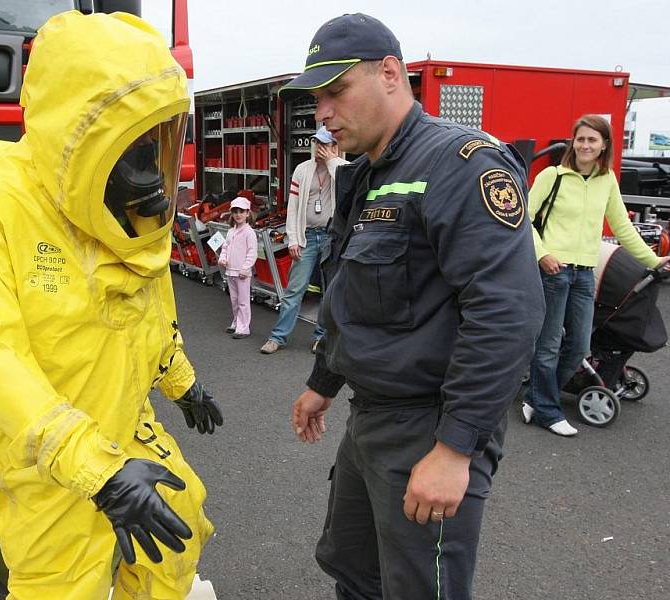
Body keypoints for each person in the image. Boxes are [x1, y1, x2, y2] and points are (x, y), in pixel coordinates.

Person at [0, 11, 223, 600]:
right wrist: (95, 472)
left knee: (174, 545)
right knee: (61, 584)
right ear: (80, 134)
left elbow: (149, 304)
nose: (153, 167)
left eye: (159, 141)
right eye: (134, 144)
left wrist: (183, 384)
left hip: (129, 432)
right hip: (46, 457)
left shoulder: (121, 211)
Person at [282, 13, 545, 599]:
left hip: (429, 428)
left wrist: (455, 451)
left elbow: (507, 316)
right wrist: (325, 379)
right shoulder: (371, 174)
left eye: (335, 91)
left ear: (392, 74)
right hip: (370, 420)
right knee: (353, 572)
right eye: (316, 98)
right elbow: (353, 295)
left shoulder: (460, 165)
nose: (321, 113)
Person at [522, 114, 670, 436]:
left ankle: (536, 395)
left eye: (592, 140)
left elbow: (623, 228)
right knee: (548, 345)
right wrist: (543, 254)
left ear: (604, 145)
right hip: (553, 271)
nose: (585, 145)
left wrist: (655, 260)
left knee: (578, 347)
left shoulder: (607, 181)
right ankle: (548, 411)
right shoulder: (552, 176)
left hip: (586, 273)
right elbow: (523, 220)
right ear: (572, 142)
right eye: (580, 139)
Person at [260, 126, 347, 354]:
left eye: (325, 144)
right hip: (307, 235)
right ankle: (278, 337)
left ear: (335, 147)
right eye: (317, 143)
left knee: (329, 292)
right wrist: (293, 239)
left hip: (331, 236)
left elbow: (348, 183)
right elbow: (293, 207)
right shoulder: (302, 169)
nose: (319, 149)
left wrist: (331, 161)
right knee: (294, 290)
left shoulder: (342, 167)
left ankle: (322, 337)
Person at [218, 196, 258, 339]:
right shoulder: (231, 231)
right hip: (231, 271)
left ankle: (243, 327)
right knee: (234, 300)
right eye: (235, 212)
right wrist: (222, 258)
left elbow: (252, 252)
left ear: (247, 213)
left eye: (241, 211)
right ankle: (236, 322)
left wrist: (246, 268)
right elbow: (225, 247)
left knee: (243, 301)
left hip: (242, 273)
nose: (238, 215)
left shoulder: (249, 232)